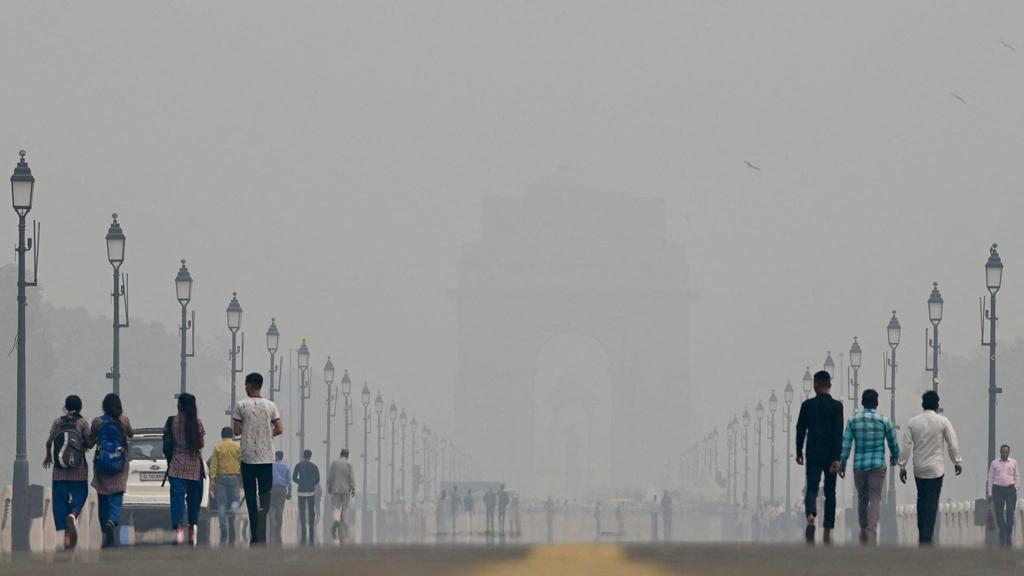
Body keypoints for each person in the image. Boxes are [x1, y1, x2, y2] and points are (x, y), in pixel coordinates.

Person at [898, 391, 962, 545]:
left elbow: (906, 445)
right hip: (936, 469)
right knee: (932, 502)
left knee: (922, 499)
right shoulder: (943, 421)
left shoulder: (913, 422)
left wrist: (902, 465)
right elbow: (952, 442)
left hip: (919, 468)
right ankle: (928, 534)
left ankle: (922, 531)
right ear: (937, 405)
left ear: (922, 405)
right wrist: (957, 461)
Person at [836, 388, 899, 545]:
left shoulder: (853, 421)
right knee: (876, 498)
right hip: (878, 465)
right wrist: (895, 457)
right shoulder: (884, 421)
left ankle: (863, 528)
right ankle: (872, 529)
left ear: (863, 403)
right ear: (876, 403)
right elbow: (893, 443)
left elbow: (846, 445)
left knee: (862, 498)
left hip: (859, 466)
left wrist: (842, 463)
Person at [233, 372, 284, 545]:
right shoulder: (271, 406)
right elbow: (279, 428)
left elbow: (236, 430)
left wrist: (248, 430)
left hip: (247, 456)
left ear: (249, 385)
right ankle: (264, 510)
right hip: (266, 456)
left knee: (249, 493)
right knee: (264, 491)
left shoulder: (241, 405)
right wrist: (268, 436)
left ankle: (254, 529)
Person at [795, 370, 843, 545]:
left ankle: (811, 515)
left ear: (815, 385)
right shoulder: (837, 407)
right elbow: (839, 433)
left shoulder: (807, 406)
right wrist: (838, 458)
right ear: (829, 385)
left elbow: (800, 429)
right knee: (830, 492)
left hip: (813, 453)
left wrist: (799, 451)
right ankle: (828, 529)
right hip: (831, 455)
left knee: (812, 488)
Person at [44, 395, 93, 550]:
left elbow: (49, 441)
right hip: (78, 471)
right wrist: (95, 438)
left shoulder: (58, 421)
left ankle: (66, 536)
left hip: (59, 470)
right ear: (80, 407)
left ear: (65, 406)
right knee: (81, 494)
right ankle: (74, 514)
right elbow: (89, 444)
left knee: (60, 501)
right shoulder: (82, 422)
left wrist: (48, 455)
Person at [91, 393, 134, 548]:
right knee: (116, 497)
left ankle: (104, 529)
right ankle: (112, 521)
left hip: (102, 464)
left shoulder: (98, 422)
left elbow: (90, 441)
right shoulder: (124, 420)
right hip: (119, 464)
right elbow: (131, 434)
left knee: (103, 498)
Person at [166, 393, 206, 546]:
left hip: (176, 465)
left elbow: (168, 442)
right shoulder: (197, 423)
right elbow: (201, 444)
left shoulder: (172, 421)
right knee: (194, 499)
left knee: (177, 499)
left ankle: (178, 526)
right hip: (194, 467)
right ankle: (192, 525)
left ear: (180, 405)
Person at [210, 426, 241, 546]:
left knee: (221, 503)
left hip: (221, 478)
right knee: (235, 499)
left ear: (222, 435)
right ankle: (233, 512)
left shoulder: (218, 447)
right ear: (232, 435)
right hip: (235, 477)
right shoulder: (238, 447)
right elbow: (242, 463)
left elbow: (214, 464)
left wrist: (212, 479)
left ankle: (223, 527)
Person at [988, 444, 1019, 546]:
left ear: (1008, 452)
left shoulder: (1013, 462)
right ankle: (1002, 533)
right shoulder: (994, 463)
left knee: (1010, 512)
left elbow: (1017, 476)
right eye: (1003, 452)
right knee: (999, 513)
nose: (1004, 454)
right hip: (998, 489)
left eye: (1006, 452)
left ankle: (1008, 534)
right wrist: (990, 493)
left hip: (1010, 489)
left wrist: (1015, 488)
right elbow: (991, 478)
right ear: (1000, 452)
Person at [327, 448, 356, 543]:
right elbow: (351, 477)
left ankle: (336, 521)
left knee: (336, 508)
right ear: (347, 455)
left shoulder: (334, 463)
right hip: (346, 490)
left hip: (335, 489)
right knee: (345, 509)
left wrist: (329, 486)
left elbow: (330, 476)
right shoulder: (348, 464)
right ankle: (343, 527)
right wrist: (353, 489)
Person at [292, 449, 320, 546]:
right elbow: (317, 479)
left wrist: (300, 482)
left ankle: (303, 527)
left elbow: (294, 477)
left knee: (302, 510)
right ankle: (311, 526)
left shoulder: (298, 465)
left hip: (301, 492)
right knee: (311, 510)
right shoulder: (313, 466)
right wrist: (312, 483)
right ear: (310, 456)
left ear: (303, 456)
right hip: (311, 492)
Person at [270, 451, 291, 544]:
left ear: (276, 456)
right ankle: (278, 528)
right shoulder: (286, 467)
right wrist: (289, 492)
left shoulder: (271, 465)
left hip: (272, 488)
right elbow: (289, 481)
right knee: (280, 509)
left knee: (271, 508)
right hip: (282, 489)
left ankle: (272, 525)